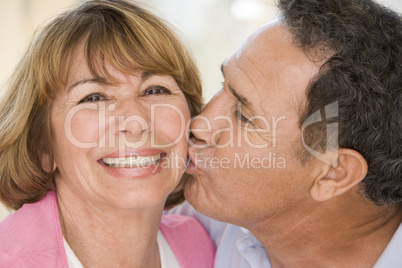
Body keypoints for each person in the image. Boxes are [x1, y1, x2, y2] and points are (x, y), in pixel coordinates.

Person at [169, 0, 402, 267]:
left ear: (333, 172)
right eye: (223, 85)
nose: (199, 125)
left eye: (243, 116)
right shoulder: (186, 222)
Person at [0, 0, 215, 267]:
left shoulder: (201, 247)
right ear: (42, 146)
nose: (135, 124)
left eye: (155, 90)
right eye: (94, 97)